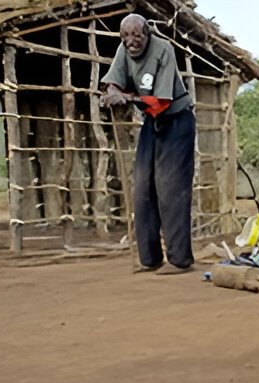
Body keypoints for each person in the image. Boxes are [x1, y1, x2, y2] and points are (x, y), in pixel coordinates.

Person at [100, 14, 196, 275]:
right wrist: (111, 93)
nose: (132, 42)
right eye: (126, 37)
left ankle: (180, 260)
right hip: (151, 123)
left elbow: (161, 102)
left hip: (176, 120)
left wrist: (127, 97)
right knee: (142, 186)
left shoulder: (163, 49)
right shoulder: (124, 49)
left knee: (171, 189)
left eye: (137, 36)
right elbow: (114, 81)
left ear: (148, 33)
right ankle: (151, 259)